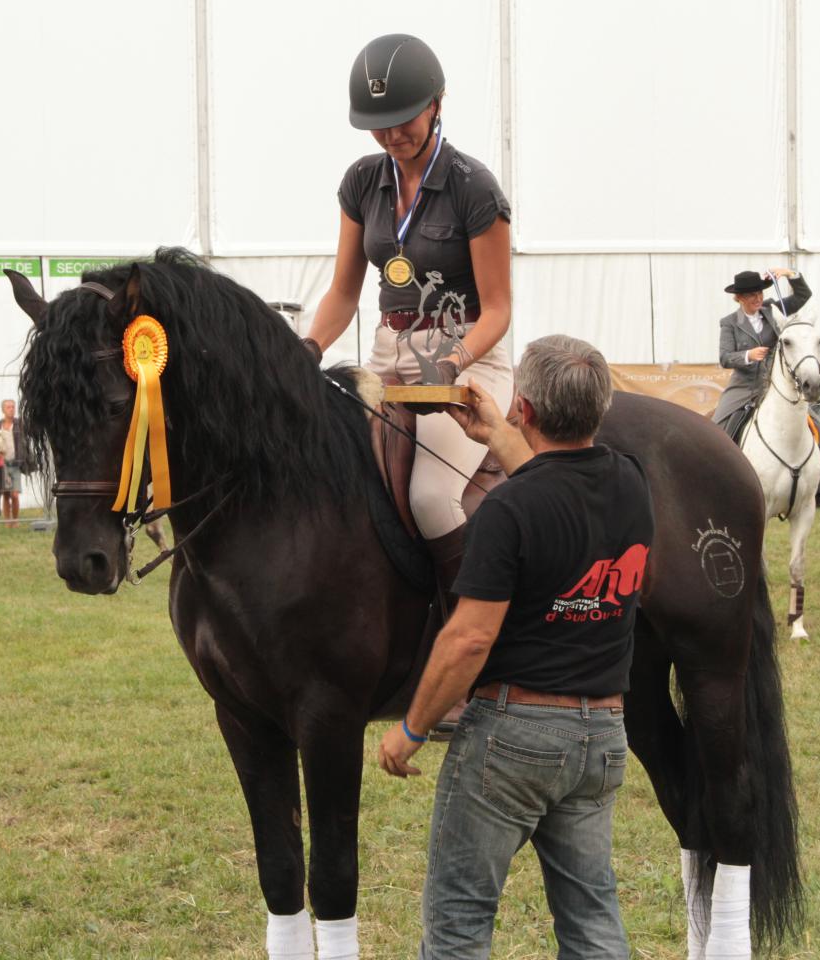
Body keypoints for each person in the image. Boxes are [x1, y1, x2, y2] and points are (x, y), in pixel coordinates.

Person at [379, 335, 655, 959]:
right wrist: (498, 436)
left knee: (459, 921)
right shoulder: (631, 481)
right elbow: (556, 486)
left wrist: (413, 729)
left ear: (524, 409)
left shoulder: (508, 509)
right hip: (603, 735)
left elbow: (471, 638)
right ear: (601, 408)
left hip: (514, 737)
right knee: (592, 920)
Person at [303, 33, 513, 586]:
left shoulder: (475, 189)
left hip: (467, 356)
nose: (392, 135)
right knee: (341, 479)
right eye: (379, 124)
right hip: (385, 357)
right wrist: (307, 348)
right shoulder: (361, 182)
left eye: (403, 120)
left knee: (430, 496)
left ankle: (468, 630)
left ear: (436, 104)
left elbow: (498, 309)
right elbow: (344, 293)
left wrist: (452, 362)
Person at [712, 268, 820, 497]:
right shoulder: (729, 323)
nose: (757, 298)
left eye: (759, 293)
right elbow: (724, 358)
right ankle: (716, 481)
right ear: (739, 298)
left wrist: (791, 274)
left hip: (779, 384)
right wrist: (747, 356)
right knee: (718, 427)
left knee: (817, 425)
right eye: (751, 295)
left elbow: (803, 296)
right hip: (745, 386)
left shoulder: (773, 309)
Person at [0, 398, 25, 524]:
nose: (11, 409)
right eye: (8, 407)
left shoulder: (19, 424)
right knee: (6, 494)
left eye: (13, 406)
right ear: (3, 409)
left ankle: (15, 520)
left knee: (15, 494)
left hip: (15, 464)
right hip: (3, 465)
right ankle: (7, 521)